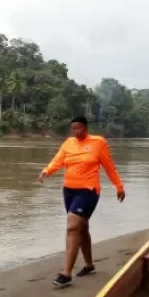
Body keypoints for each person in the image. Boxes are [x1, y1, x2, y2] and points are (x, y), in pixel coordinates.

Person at [38, 116, 126, 288]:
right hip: (69, 191)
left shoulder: (98, 142)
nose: (76, 131)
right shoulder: (68, 143)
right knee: (81, 228)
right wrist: (46, 171)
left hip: (89, 190)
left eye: (79, 128)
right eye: (73, 129)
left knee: (72, 226)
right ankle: (89, 265)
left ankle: (66, 273)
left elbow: (109, 166)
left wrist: (119, 186)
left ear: (86, 127)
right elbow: (58, 160)